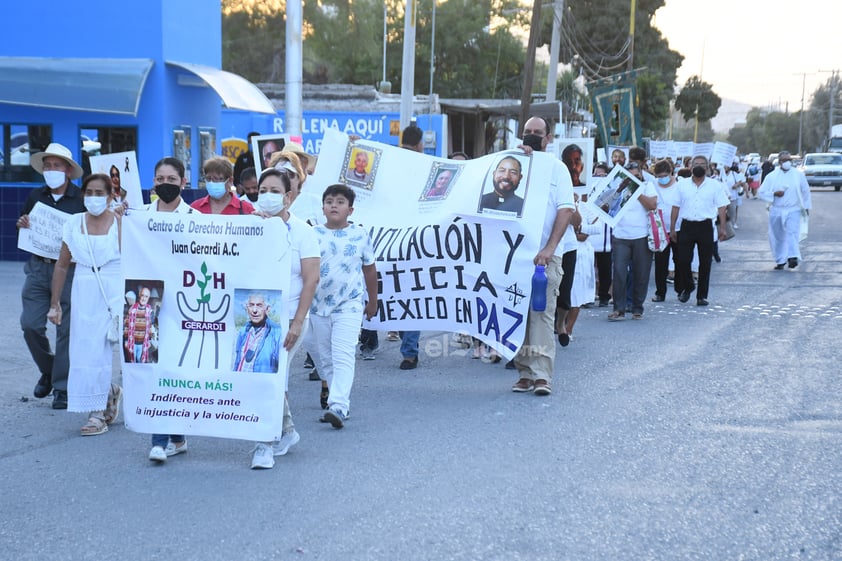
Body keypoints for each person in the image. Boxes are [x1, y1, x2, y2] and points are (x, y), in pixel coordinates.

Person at [248, 168, 320, 469]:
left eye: (274, 190)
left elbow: (311, 279)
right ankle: (287, 431)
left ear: (288, 197)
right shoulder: (249, 227)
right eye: (262, 189)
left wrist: (297, 322)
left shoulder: (304, 232)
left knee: (268, 376)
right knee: (268, 377)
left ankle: (263, 444)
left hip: (289, 316)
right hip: (254, 317)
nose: (266, 195)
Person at [47, 173, 123, 436]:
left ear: (111, 196)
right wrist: (54, 303)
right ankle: (98, 410)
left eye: (99, 193)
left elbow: (134, 254)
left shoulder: (121, 222)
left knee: (128, 347)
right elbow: (62, 264)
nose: (93, 198)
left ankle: (128, 398)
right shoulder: (73, 223)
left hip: (116, 284)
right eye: (89, 192)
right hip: (85, 286)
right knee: (88, 349)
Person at [17, 143, 87, 409]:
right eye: (47, 166)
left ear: (68, 171)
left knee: (65, 330)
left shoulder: (81, 199)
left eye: (56, 166)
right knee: (30, 325)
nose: (51, 170)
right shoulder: (36, 196)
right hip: (38, 267)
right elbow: (25, 228)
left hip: (69, 270)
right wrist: (21, 224)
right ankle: (48, 369)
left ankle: (61, 386)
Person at [510, 116, 575, 396]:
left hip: (545, 257)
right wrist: (516, 159)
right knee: (517, 313)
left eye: (538, 133)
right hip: (514, 256)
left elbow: (566, 210)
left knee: (541, 313)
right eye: (528, 132)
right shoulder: (511, 163)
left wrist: (549, 249)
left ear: (548, 138)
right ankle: (523, 371)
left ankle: (541, 374)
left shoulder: (558, 170)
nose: (532, 136)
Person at [308, 184, 378, 428]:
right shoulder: (312, 234)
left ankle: (339, 405)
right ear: (323, 208)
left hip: (349, 304)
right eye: (329, 201)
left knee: (343, 354)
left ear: (350, 209)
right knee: (325, 358)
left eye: (339, 202)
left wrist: (373, 300)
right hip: (317, 306)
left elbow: (369, 269)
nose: (334, 205)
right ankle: (336, 402)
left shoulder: (360, 235)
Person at [145, 157, 191, 462]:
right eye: (160, 179)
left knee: (176, 367)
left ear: (183, 183)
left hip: (185, 303)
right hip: (148, 302)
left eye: (172, 180)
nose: (165, 184)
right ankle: (162, 439)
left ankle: (173, 436)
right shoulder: (139, 217)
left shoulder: (196, 218)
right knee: (154, 366)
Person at [669, 155, 729, 306]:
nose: (699, 166)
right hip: (686, 226)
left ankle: (702, 296)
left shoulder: (715, 185)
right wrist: (672, 228)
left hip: (705, 226)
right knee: (682, 260)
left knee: (705, 262)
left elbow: (722, 207)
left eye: (703, 164)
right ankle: (688, 286)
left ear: (708, 168)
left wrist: (722, 228)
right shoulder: (681, 185)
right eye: (696, 163)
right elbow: (675, 207)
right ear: (690, 166)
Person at [607, 162, 658, 321]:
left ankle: (637, 308)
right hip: (621, 236)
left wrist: (636, 190)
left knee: (641, 273)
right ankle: (619, 309)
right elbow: (608, 207)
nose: (635, 178)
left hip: (641, 236)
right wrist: (622, 189)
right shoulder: (617, 187)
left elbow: (652, 205)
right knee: (620, 273)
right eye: (631, 176)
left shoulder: (648, 186)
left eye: (637, 176)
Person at [757, 151, 811, 269]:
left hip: (793, 209)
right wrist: (774, 193)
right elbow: (761, 192)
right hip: (776, 210)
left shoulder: (798, 175)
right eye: (784, 160)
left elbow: (805, 190)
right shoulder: (772, 176)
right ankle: (780, 260)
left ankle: (792, 257)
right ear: (779, 162)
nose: (787, 162)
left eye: (789, 160)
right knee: (777, 235)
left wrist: (806, 207)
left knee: (792, 232)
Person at [651, 159, 680, 302]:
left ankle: (681, 289)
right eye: (659, 177)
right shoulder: (653, 186)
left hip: (678, 228)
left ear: (670, 172)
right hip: (660, 229)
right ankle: (660, 292)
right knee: (660, 263)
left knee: (680, 260)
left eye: (664, 176)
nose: (661, 179)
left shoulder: (679, 185)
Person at [233, 292, 284, 373]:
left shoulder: (276, 332)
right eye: (251, 305)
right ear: (247, 308)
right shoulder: (243, 331)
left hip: (262, 383)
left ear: (267, 309)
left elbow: (281, 366)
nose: (254, 310)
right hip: (240, 382)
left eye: (259, 305)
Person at [126, 286, 153, 363]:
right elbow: (127, 325)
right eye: (142, 295)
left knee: (140, 359)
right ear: (139, 295)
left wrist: (150, 340)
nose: (144, 298)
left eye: (146, 296)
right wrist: (125, 341)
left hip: (143, 343)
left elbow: (150, 327)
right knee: (132, 359)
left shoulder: (150, 311)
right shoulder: (132, 309)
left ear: (148, 298)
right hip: (132, 341)